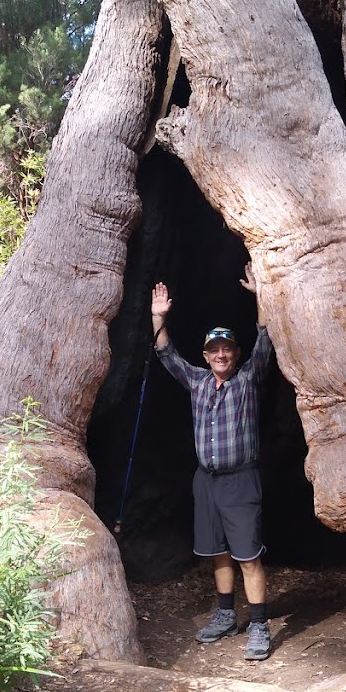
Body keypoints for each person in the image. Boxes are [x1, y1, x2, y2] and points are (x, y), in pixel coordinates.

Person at [150, 265, 274, 661]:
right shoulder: (198, 381)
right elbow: (166, 353)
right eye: (214, 350)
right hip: (206, 480)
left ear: (234, 354)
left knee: (248, 556)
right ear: (206, 356)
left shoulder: (249, 379)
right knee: (218, 553)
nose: (221, 355)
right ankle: (225, 616)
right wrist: (158, 317)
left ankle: (259, 626)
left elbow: (265, 340)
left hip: (240, 480)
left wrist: (260, 296)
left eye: (227, 349)